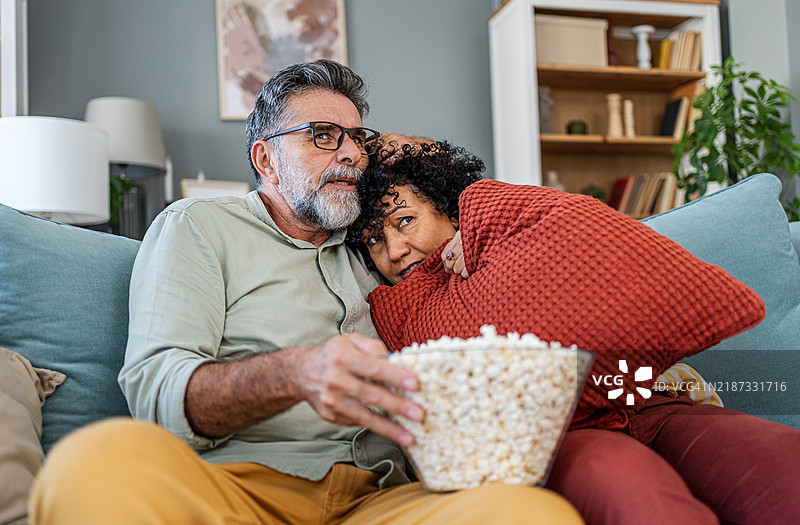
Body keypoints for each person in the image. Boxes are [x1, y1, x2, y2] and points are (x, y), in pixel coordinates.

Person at [28, 60, 582, 525]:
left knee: (530, 512)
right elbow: (156, 394)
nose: (350, 155)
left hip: (381, 498)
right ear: (265, 159)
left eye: (359, 139)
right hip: (241, 492)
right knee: (91, 464)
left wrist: (466, 227)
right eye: (322, 136)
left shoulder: (383, 238)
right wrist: (295, 373)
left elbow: (460, 184)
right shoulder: (198, 225)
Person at [349, 141, 800, 525]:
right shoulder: (395, 312)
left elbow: (583, 228)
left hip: (649, 401)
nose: (394, 249)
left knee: (782, 467)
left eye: (404, 220)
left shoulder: (504, 229)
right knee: (642, 502)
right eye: (373, 240)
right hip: (565, 439)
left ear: (446, 207)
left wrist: (484, 224)